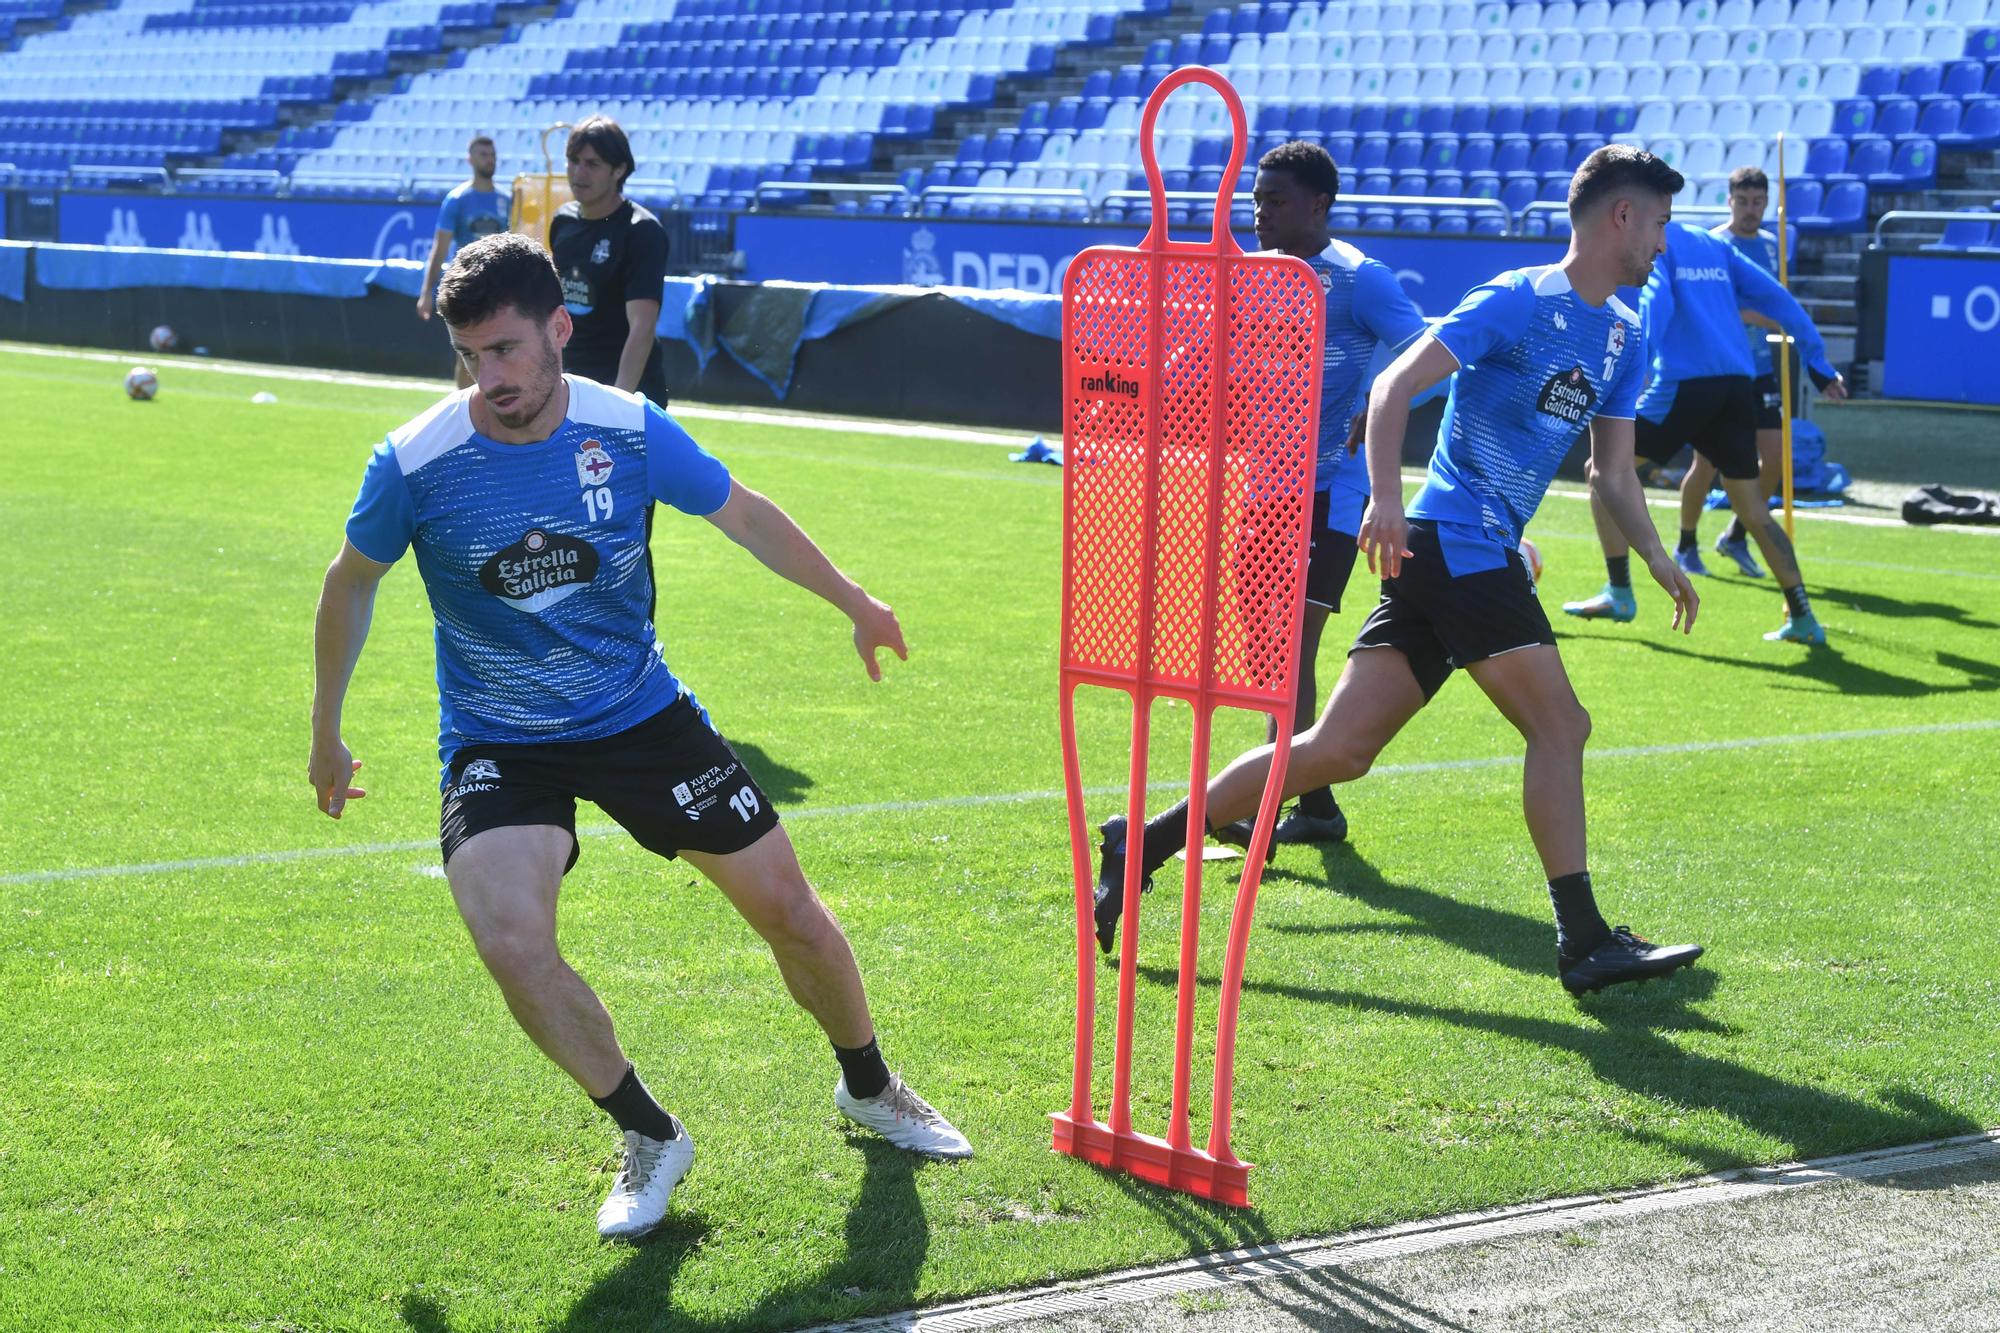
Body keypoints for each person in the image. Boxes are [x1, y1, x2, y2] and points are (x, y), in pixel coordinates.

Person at [308, 233, 970, 1244]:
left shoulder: (625, 430)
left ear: (559, 331)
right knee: (509, 940)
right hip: (500, 737)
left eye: (507, 350)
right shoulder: (415, 459)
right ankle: (649, 1133)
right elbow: (350, 579)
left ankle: (871, 1086)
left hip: (638, 713)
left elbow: (742, 514)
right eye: (472, 355)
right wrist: (327, 728)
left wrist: (853, 599)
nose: (490, 378)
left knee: (789, 911)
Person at [1089, 146, 1705, 997]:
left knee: (1337, 751)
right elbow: (1391, 388)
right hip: (1452, 539)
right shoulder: (1517, 300)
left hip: (1460, 553)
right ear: (1621, 218)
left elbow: (1614, 474)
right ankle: (1585, 939)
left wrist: (1659, 557)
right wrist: (1382, 496)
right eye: (1662, 224)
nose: (1665, 245)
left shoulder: (1626, 336)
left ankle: (1144, 839)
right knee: (1561, 726)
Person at [1203, 141, 1428, 855]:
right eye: (1256, 198)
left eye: (1274, 199)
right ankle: (1318, 803)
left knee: (1292, 652)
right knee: (1267, 658)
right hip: (1263, 493)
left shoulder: (1361, 281)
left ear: (1318, 205)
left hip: (1332, 496)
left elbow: (1429, 352)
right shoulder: (1254, 277)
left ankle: (1260, 809)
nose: (1259, 211)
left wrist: (1380, 397)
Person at [1560, 214, 1847, 645]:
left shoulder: (1660, 243)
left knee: (1601, 472)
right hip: (1736, 386)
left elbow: (1658, 303)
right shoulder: (1716, 246)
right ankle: (1804, 618)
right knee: (1751, 508)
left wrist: (1635, 369)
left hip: (1685, 385)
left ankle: (1619, 592)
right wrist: (1819, 364)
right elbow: (1780, 299)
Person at [1702, 165, 1807, 577]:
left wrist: (1782, 314)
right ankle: (1686, 542)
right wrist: (1767, 319)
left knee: (1776, 461)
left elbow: (1778, 297)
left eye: (1758, 202)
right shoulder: (1713, 244)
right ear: (1729, 200)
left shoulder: (1772, 243)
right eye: (1742, 201)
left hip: (1761, 366)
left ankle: (1736, 535)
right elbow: (1716, 306)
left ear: (1768, 203)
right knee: (1707, 465)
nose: (1750, 209)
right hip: (1722, 366)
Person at [547, 116, 670, 407]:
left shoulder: (641, 231)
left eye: (592, 164)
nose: (578, 172)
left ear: (619, 170)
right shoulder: (562, 221)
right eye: (573, 160)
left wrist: (618, 402)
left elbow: (642, 328)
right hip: (572, 390)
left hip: (628, 393)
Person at [416, 134, 510, 390]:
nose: (489, 160)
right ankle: (464, 409)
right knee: (469, 350)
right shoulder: (457, 200)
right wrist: (426, 291)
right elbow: (440, 247)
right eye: (483, 155)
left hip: (501, 289)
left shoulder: (507, 200)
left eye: (492, 155)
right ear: (470, 160)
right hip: (470, 287)